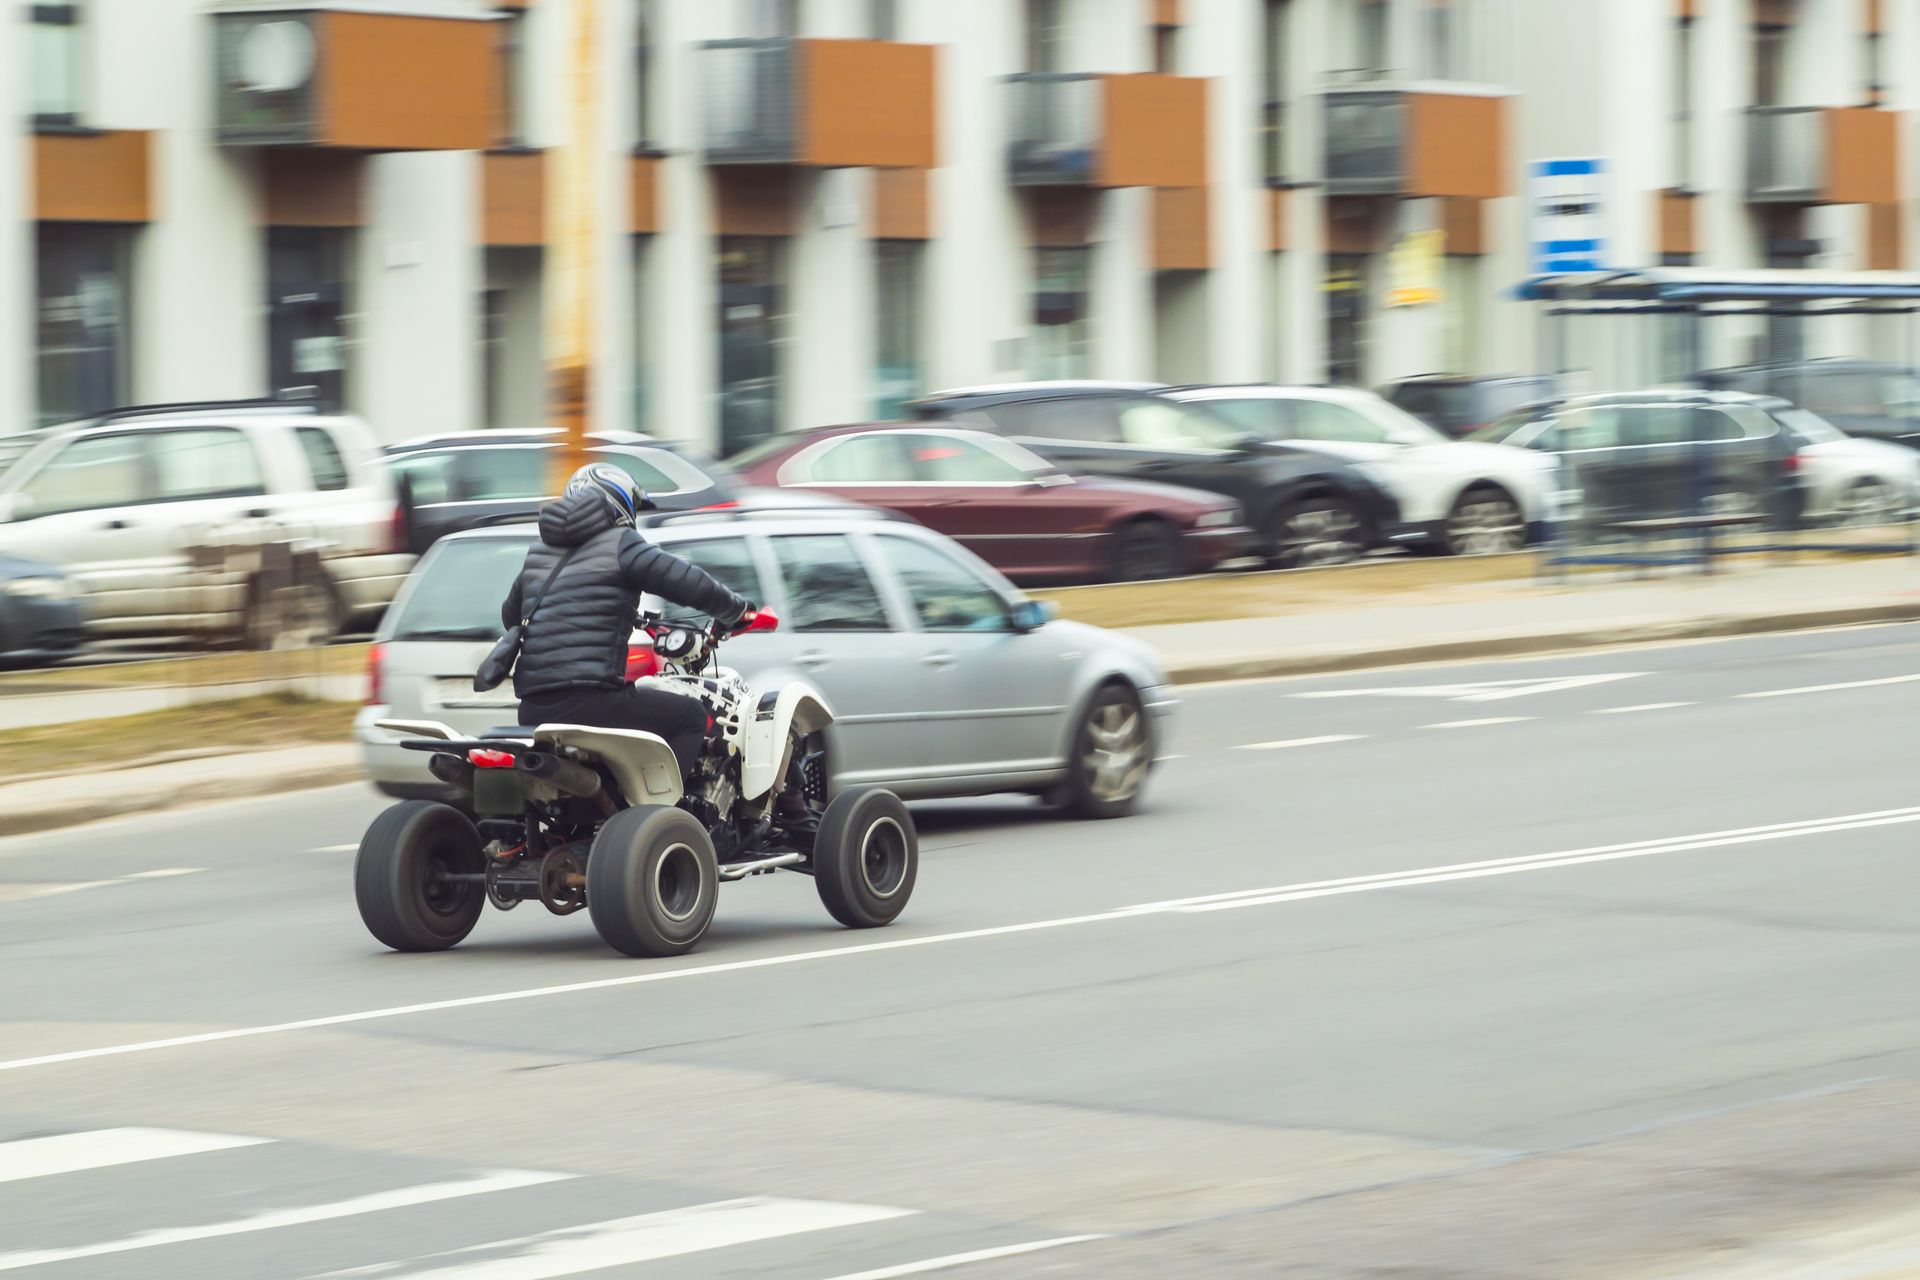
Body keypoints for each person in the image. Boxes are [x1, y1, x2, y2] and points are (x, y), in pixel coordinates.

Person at [501, 463, 754, 776]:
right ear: (618, 505)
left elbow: (510, 616)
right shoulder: (620, 542)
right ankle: (664, 816)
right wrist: (737, 611)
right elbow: (687, 582)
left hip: (532, 708)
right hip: (592, 702)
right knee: (690, 716)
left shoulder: (539, 553)